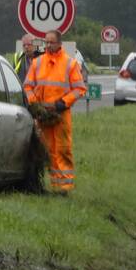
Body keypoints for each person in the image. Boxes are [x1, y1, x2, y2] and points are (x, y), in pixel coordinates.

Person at [23, 29, 87, 194]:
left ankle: (63, 188)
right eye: (47, 42)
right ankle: (47, 185)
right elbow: (27, 86)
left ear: (59, 43)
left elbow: (79, 89)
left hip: (60, 115)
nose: (49, 45)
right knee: (45, 150)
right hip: (42, 116)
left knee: (62, 149)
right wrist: (34, 105)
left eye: (52, 42)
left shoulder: (70, 64)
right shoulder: (38, 63)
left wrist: (62, 103)